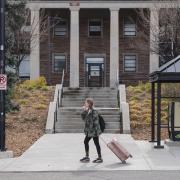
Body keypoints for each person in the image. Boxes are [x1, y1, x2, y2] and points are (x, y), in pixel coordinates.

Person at [80, 98, 103, 163]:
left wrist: (97, 131)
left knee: (96, 143)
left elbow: (96, 122)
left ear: (89, 103)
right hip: (89, 131)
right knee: (86, 142)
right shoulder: (88, 110)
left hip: (94, 131)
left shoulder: (94, 111)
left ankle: (100, 158)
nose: (85, 103)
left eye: (86, 102)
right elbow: (83, 118)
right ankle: (87, 157)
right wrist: (84, 110)